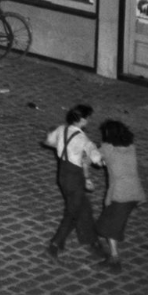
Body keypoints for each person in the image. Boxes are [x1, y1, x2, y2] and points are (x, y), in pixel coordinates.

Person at [43, 103, 106, 260]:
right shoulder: (83, 139)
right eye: (88, 118)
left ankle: (92, 241)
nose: (89, 121)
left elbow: (49, 141)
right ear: (83, 120)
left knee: (84, 208)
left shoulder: (60, 129)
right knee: (73, 212)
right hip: (75, 178)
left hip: (62, 174)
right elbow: (98, 160)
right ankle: (55, 243)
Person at [94, 119, 146, 268]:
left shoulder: (107, 148)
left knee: (107, 227)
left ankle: (114, 258)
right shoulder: (131, 147)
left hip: (120, 195)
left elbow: (96, 160)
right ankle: (112, 255)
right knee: (111, 224)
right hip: (135, 192)